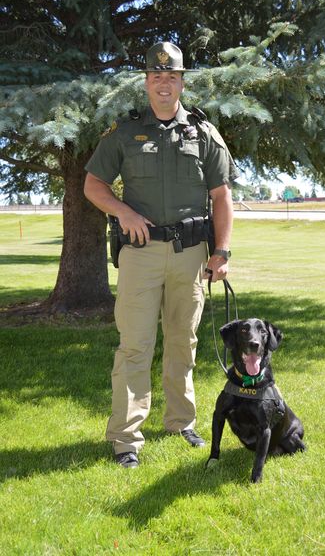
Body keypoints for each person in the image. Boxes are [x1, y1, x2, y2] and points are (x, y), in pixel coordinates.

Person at [84, 41, 238, 468]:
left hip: (190, 254)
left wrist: (221, 252)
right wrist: (124, 211)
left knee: (182, 342)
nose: (164, 83)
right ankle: (126, 438)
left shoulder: (204, 133)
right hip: (140, 253)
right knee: (135, 345)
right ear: (147, 82)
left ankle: (180, 421)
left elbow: (221, 197)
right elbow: (93, 185)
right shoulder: (125, 133)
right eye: (156, 76)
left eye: (172, 76)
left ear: (182, 81)